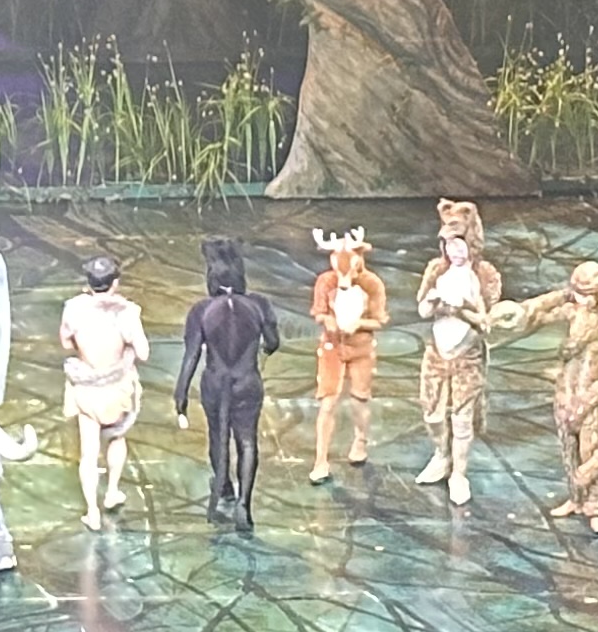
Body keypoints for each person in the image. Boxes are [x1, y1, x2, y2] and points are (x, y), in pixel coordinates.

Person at [497, 259, 598, 530]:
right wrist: (522, 312)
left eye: (586, 294)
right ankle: (576, 497)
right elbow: (541, 314)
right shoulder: (572, 311)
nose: (581, 298)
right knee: (568, 446)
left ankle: (597, 507)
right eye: (578, 293)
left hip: (592, 391)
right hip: (567, 389)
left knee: (589, 448)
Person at [172, 235, 285, 528]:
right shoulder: (259, 304)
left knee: (217, 436)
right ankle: (244, 506)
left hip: (214, 382)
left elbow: (192, 355)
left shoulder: (201, 310)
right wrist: (262, 346)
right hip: (247, 382)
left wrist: (180, 393)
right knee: (247, 441)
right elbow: (273, 342)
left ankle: (224, 489)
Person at [413, 200, 503, 510]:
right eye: (449, 244)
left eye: (460, 243)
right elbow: (422, 309)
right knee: (433, 413)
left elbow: (486, 322)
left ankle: (459, 474)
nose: (454, 250)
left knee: (462, 418)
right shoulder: (437, 270)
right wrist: (435, 301)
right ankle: (441, 454)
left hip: (467, 355)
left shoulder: (484, 274)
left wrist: (461, 308)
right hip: (438, 352)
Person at [58, 253, 152, 529]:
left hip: (86, 387)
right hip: (117, 388)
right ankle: (112, 491)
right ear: (115, 282)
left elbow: (65, 343)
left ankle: (92, 512)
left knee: (89, 451)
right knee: (117, 437)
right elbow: (144, 353)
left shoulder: (73, 309)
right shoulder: (127, 312)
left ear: (89, 283)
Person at [307, 226, 386, 481]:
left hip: (361, 347)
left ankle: (360, 440)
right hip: (333, 346)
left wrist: (359, 324)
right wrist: (327, 320)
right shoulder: (325, 281)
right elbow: (319, 311)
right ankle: (321, 459)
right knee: (328, 401)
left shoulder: (372, 284)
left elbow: (378, 320)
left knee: (359, 399)